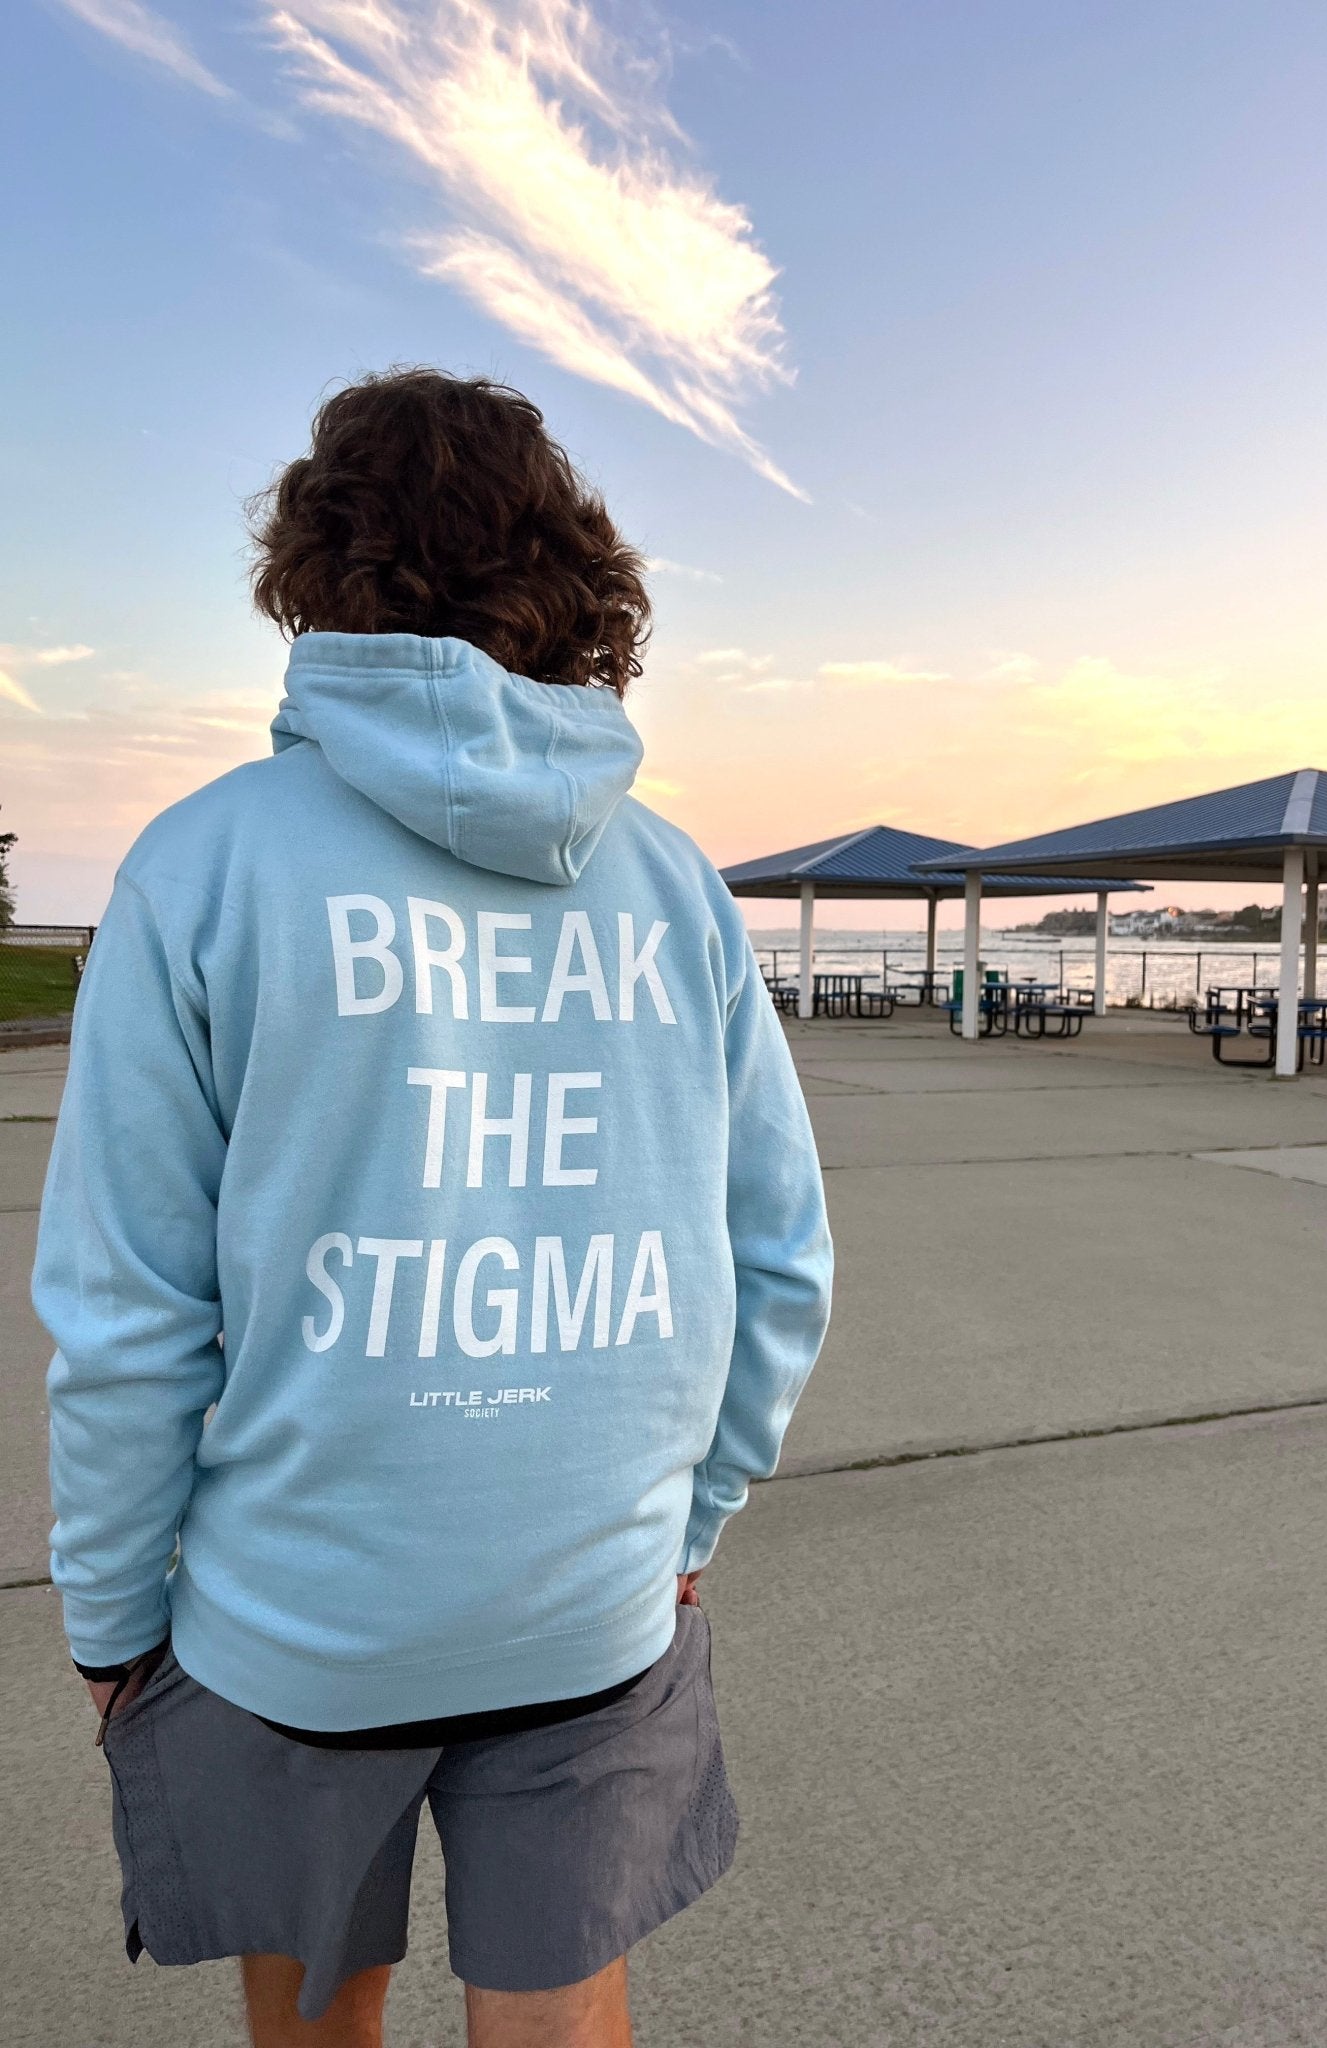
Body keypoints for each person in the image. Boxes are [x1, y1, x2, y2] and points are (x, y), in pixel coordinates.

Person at [33, 368, 833, 2048]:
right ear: (571, 565)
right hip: (590, 1598)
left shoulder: (202, 866)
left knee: (317, 2019)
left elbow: (127, 1305)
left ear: (314, 575)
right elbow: (778, 1263)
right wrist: (688, 1525)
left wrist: (107, 1605)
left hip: (298, 1614)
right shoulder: (676, 883)